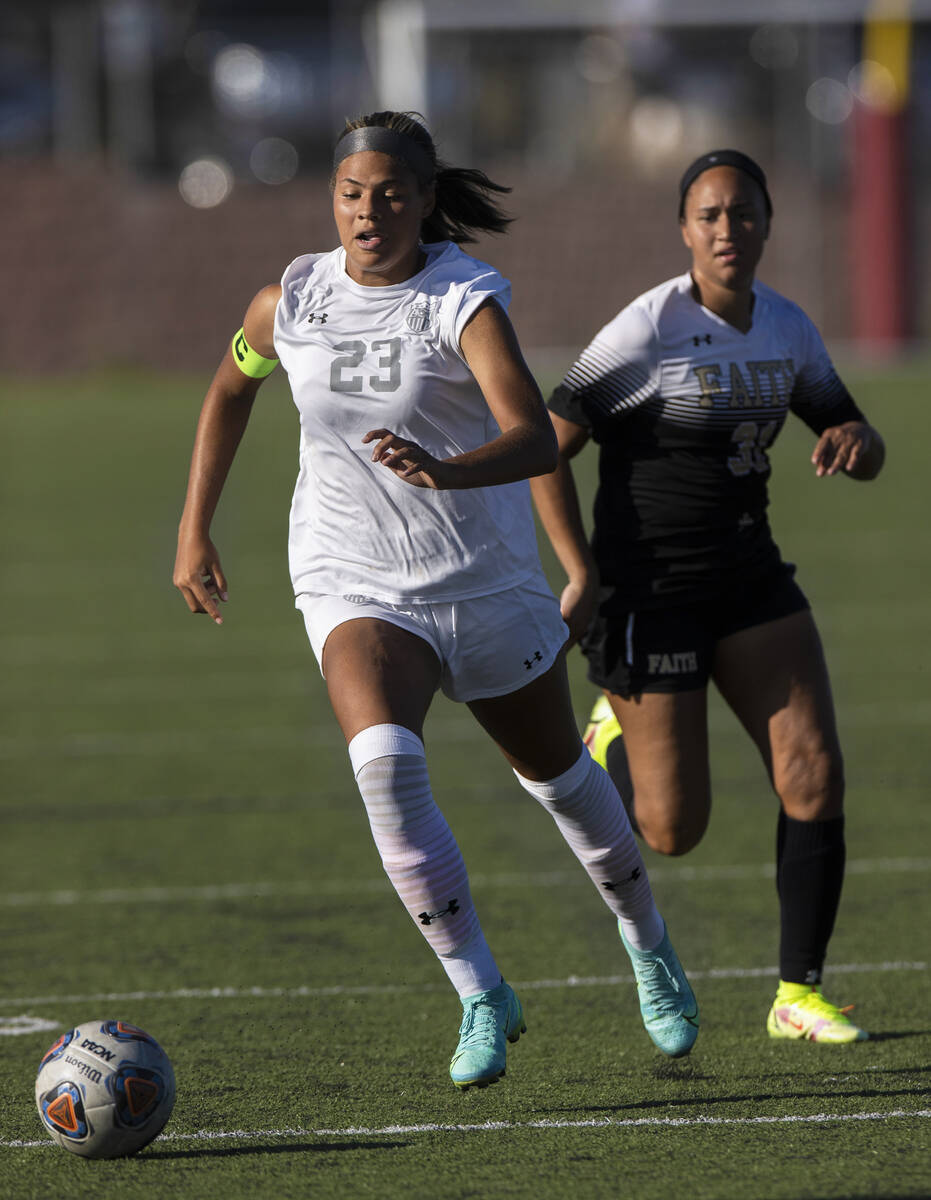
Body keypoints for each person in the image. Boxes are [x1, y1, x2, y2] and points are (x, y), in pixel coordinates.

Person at [173, 110, 699, 1089]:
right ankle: (478, 992)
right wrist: (193, 527)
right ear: (330, 198)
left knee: (561, 786)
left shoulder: (463, 300)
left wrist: (450, 475)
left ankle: (648, 944)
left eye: (388, 195)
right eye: (350, 193)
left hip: (480, 581)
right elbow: (231, 388)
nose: (367, 212)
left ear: (422, 201)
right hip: (351, 578)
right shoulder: (288, 299)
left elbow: (534, 438)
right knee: (382, 764)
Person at [531, 149, 885, 1046]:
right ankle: (609, 731)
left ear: (768, 222)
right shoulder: (644, 332)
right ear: (685, 231)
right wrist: (579, 570)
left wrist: (855, 438)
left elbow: (853, 432)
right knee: (672, 829)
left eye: (742, 213)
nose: (727, 230)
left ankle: (796, 993)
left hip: (750, 578)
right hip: (651, 591)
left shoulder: (788, 330)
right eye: (709, 216)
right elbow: (543, 443)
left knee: (813, 770)